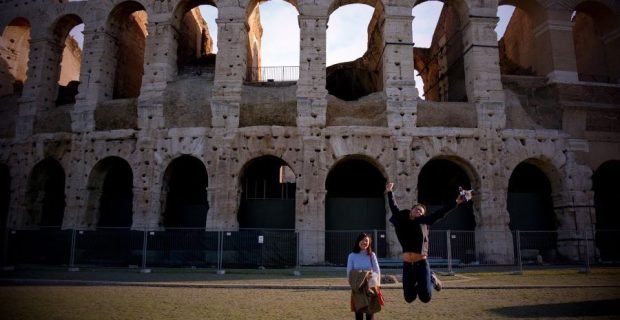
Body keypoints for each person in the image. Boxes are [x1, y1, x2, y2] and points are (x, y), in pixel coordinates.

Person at [386, 182, 470, 304]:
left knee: (425, 298)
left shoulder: (425, 222)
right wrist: (389, 191)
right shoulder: (402, 219)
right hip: (408, 265)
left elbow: (441, 213)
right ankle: (422, 282)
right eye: (417, 209)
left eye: (421, 211)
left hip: (421, 263)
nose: (419, 212)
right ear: (411, 211)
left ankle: (430, 278)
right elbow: (393, 206)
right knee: (409, 298)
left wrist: (456, 202)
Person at [347, 233, 382, 320]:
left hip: (370, 288)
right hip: (358, 289)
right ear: (358, 241)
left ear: (369, 242)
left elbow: (377, 271)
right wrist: (364, 276)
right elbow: (349, 273)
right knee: (358, 315)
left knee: (370, 315)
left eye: (366, 240)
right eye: (362, 240)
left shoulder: (372, 255)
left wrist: (377, 285)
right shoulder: (351, 256)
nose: (364, 242)